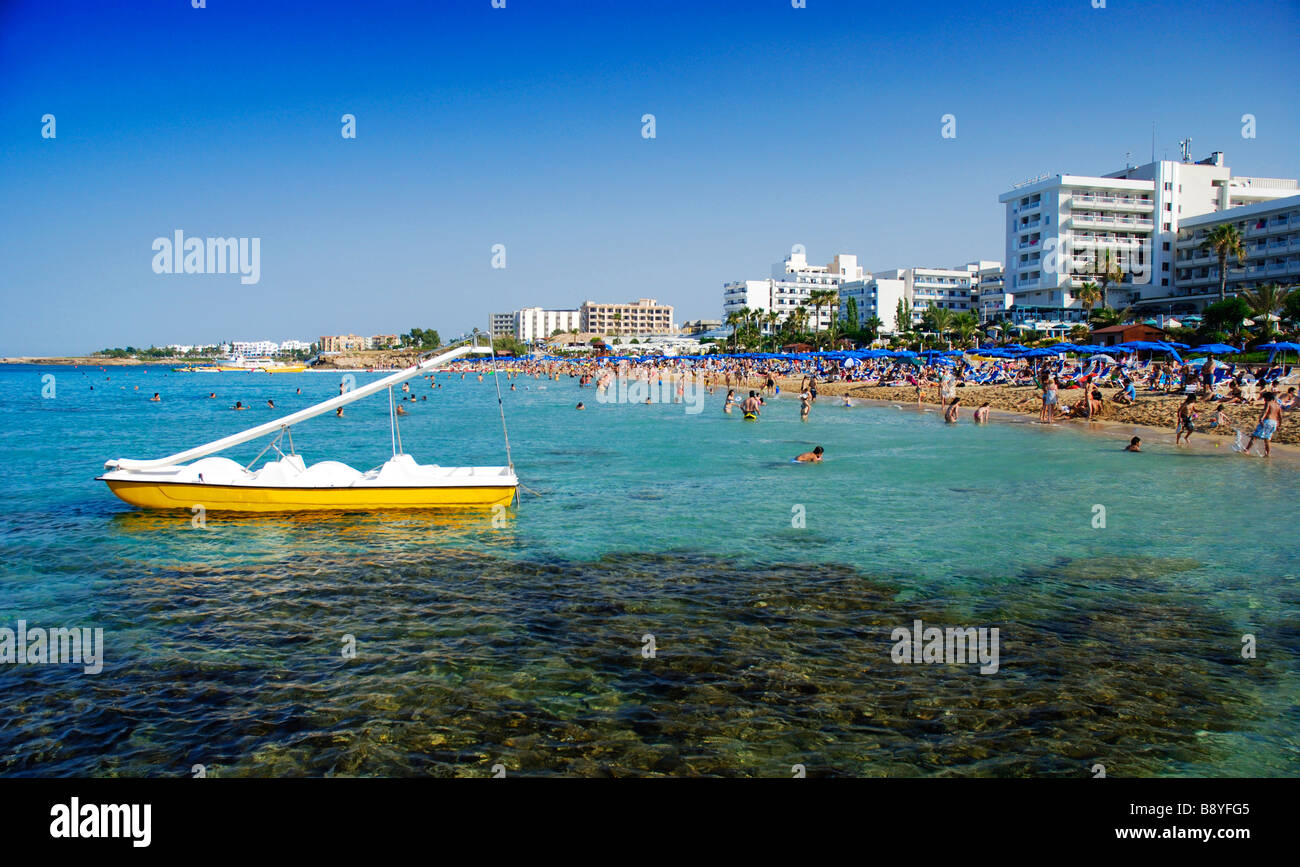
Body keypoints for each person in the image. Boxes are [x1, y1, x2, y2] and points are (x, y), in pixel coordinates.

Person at [1243, 391, 1282, 457]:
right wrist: (1279, 425)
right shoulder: (1278, 406)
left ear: (1267, 398)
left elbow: (1266, 411)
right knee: (1267, 439)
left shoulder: (1268, 403)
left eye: (1264, 398)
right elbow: (1280, 417)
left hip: (1267, 421)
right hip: (1274, 423)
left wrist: (1261, 418)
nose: (1264, 400)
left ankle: (1247, 450)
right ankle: (1267, 454)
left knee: (1254, 436)